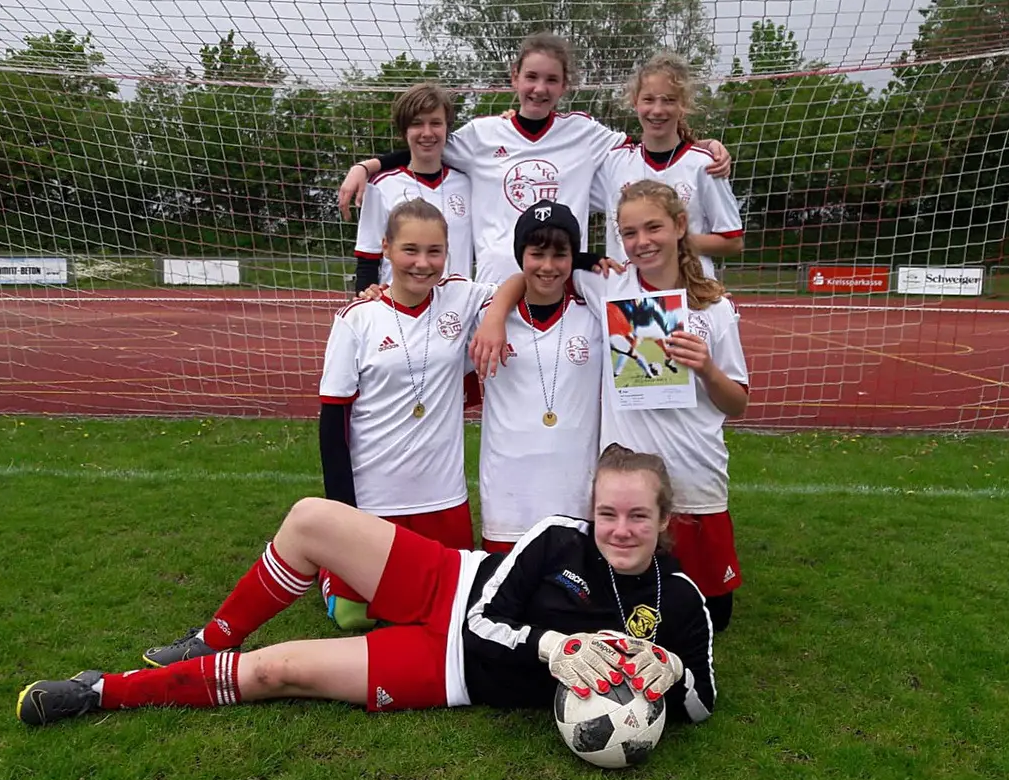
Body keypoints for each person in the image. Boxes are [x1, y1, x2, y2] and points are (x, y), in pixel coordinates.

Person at [16, 444, 716, 730]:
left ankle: (100, 691)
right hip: (452, 585)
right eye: (607, 513)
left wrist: (674, 672)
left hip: (453, 671)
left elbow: (702, 704)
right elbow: (485, 618)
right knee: (310, 519)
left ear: (664, 520)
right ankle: (206, 640)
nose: (620, 530)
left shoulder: (681, 601)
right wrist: (553, 647)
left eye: (638, 516)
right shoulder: (559, 537)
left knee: (277, 672)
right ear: (591, 510)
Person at [474, 180, 750, 632]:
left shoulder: (712, 307)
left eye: (653, 228)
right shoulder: (608, 286)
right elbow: (536, 268)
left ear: (680, 225)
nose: (642, 242)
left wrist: (706, 369)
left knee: (712, 617)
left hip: (696, 472)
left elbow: (736, 403)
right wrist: (495, 313)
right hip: (629, 476)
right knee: (634, 603)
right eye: (629, 232)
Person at [336, 32, 733, 285]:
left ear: (565, 85)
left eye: (551, 80)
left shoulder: (585, 133)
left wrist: (702, 145)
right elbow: (425, 144)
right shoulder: (481, 135)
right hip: (494, 284)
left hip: (561, 280)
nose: (539, 89)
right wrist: (367, 166)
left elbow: (653, 140)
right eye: (531, 77)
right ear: (515, 77)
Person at [310, 199, 499, 633]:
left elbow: (524, 283)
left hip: (443, 498)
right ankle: (328, 568)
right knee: (354, 617)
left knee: (450, 611)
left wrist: (493, 320)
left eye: (435, 251)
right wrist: (343, 512)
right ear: (387, 249)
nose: (422, 263)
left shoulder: (460, 296)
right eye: (410, 250)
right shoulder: (358, 319)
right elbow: (333, 423)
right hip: (376, 498)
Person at [476, 201, 605, 554]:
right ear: (521, 256)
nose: (548, 266)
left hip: (574, 491)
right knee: (505, 585)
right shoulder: (486, 316)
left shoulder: (594, 312)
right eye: (536, 254)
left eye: (560, 255)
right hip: (507, 494)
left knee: (571, 583)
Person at [591, 51, 744, 282]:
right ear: (635, 102)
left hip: (690, 291)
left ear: (683, 105)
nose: (657, 110)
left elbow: (732, 242)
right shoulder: (613, 163)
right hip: (627, 294)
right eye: (648, 99)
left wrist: (671, 241)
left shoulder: (705, 165)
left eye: (669, 100)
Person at [352, 82, 474, 295]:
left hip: (458, 308)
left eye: (436, 123)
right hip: (400, 307)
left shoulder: (468, 184)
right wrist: (364, 298)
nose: (427, 133)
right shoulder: (381, 185)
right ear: (404, 130)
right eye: (417, 124)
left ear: (447, 128)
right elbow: (367, 259)